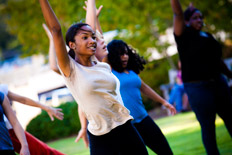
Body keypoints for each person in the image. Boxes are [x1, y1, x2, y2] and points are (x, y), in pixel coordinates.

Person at [39, 0, 148, 154]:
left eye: (93, 37)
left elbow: (90, 27)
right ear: (72, 45)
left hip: (126, 129)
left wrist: (91, 2)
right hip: (101, 138)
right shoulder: (70, 69)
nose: (91, 40)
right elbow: (56, 30)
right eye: (85, 38)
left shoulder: (99, 63)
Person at [170, 0, 232, 154]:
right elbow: (177, 13)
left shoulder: (208, 36)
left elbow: (218, 61)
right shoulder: (183, 35)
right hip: (198, 88)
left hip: (218, 83)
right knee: (208, 127)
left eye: (201, 17)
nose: (199, 20)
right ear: (187, 21)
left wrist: (230, 75)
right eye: (195, 18)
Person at [107, 39, 176, 155]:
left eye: (126, 53)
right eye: (120, 54)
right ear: (113, 56)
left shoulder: (131, 72)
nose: (125, 57)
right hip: (128, 126)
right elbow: (102, 50)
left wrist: (164, 102)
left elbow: (144, 88)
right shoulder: (109, 73)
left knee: (166, 151)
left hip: (144, 119)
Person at [0, 84, 65, 155]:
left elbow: (23, 100)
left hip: (11, 132)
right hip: (8, 134)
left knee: (45, 152)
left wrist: (47, 108)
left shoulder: (1, 91)